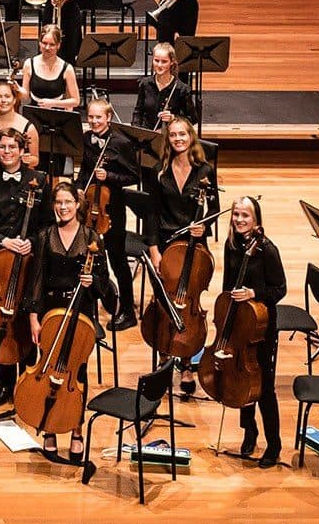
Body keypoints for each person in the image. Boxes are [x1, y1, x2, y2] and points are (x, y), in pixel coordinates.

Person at [25, 178, 112, 462]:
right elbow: (35, 280)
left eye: (68, 203)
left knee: (78, 373)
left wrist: (92, 280)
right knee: (48, 367)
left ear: (78, 205)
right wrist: (33, 319)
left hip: (81, 312)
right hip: (51, 313)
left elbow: (106, 285)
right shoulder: (43, 236)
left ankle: (76, 429)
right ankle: (49, 427)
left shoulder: (92, 238)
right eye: (58, 203)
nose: (63, 207)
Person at [0, 131, 51, 408]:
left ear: (21, 150)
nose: (6, 152)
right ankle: (5, 384)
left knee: (25, 314)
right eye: (2, 147)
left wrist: (31, 242)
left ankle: (27, 380)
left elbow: (47, 222)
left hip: (29, 258)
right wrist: (3, 241)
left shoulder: (39, 181)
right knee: (1, 320)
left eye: (12, 147)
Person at [148, 117, 217, 398]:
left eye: (182, 134)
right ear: (168, 139)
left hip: (194, 247)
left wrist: (204, 227)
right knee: (166, 305)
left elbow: (214, 210)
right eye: (173, 135)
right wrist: (153, 249)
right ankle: (165, 357)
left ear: (191, 137)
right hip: (165, 243)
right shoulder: (159, 171)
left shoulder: (205, 170)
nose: (178, 139)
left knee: (188, 303)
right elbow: (151, 213)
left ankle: (187, 362)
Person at [220, 196, 286, 468]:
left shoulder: (267, 250)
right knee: (240, 379)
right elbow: (226, 284)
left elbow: (279, 290)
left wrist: (253, 293)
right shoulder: (231, 245)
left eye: (245, 215)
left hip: (261, 327)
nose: (239, 220)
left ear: (256, 220)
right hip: (238, 325)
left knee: (265, 388)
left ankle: (274, 444)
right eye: (236, 214)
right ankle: (250, 432)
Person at [80, 97, 140, 331]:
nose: (94, 121)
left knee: (117, 259)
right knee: (87, 256)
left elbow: (134, 176)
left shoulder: (121, 143)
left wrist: (110, 177)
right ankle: (90, 307)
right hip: (88, 207)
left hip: (111, 208)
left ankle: (127, 309)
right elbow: (85, 169)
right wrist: (78, 188)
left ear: (108, 117)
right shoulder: (86, 139)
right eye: (91, 117)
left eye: (99, 117)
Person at [0, 81, 42, 169]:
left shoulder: (29, 128)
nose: (3, 100)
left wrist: (27, 159)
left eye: (7, 96)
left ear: (14, 100)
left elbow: (35, 160)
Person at [134, 41, 199, 130]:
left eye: (164, 62)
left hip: (170, 135)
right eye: (156, 60)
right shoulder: (145, 84)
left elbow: (192, 119)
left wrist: (173, 118)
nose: (159, 65)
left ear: (172, 62)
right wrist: (136, 132)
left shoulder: (181, 89)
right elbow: (138, 112)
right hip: (147, 136)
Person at [19, 25, 81, 111]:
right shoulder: (29, 64)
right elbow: (25, 97)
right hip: (34, 113)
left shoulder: (67, 68)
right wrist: (16, 88)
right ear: (39, 43)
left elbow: (76, 101)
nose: (47, 48)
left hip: (57, 114)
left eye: (52, 44)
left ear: (58, 45)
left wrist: (53, 103)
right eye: (44, 43)